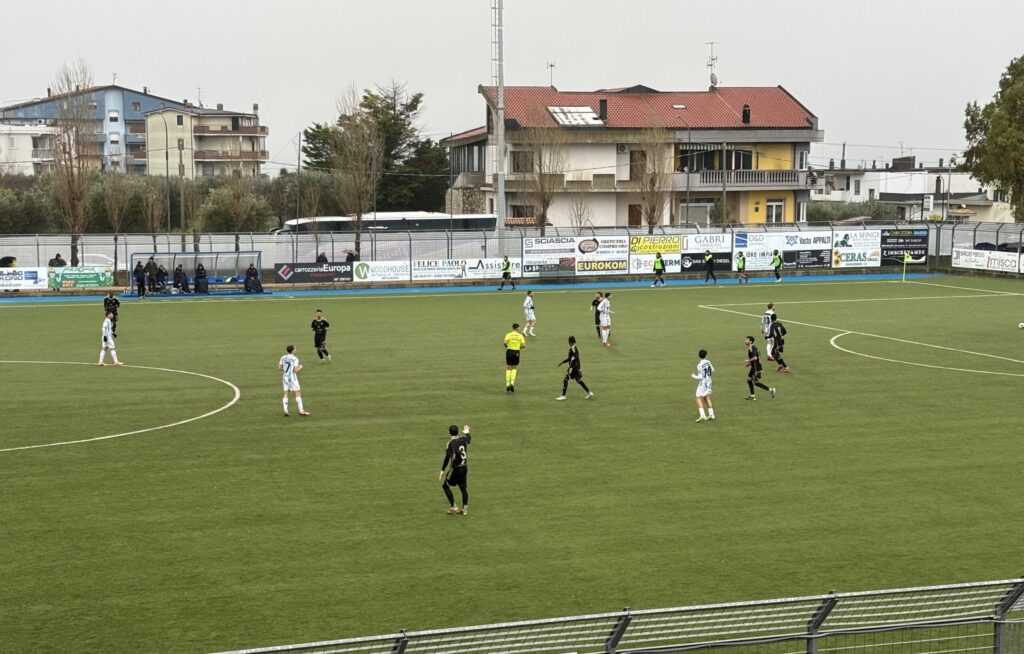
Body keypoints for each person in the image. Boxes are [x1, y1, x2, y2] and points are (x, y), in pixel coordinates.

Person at [439, 424, 471, 515]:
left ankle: (454, 506)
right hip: (464, 467)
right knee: (463, 488)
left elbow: (447, 457)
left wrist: (442, 470)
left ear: (449, 433)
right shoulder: (463, 439)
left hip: (456, 469)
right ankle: (464, 510)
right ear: (457, 432)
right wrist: (467, 432)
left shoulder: (450, 444)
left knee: (445, 485)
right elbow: (469, 439)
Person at [556, 336, 593, 400]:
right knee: (578, 380)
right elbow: (570, 358)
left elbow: (577, 358)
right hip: (574, 367)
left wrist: (578, 369)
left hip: (572, 367)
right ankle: (589, 392)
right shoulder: (573, 348)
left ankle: (563, 396)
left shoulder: (573, 349)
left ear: (569, 342)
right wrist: (562, 362)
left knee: (565, 379)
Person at [278, 344, 309, 417]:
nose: (296, 349)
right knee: (297, 392)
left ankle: (285, 410)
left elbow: (279, 368)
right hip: (292, 378)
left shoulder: (283, 357)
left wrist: (286, 369)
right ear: (293, 350)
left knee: (286, 393)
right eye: (295, 348)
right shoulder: (295, 359)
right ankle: (301, 411)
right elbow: (295, 370)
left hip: (285, 378)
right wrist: (300, 367)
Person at [744, 336, 776, 400]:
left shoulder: (752, 348)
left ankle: (771, 390)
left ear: (750, 341)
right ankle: (753, 396)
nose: (745, 341)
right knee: (749, 380)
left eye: (747, 340)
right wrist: (749, 364)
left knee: (755, 382)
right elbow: (757, 358)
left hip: (756, 368)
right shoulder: (753, 347)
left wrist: (748, 361)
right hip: (754, 367)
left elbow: (755, 358)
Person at [692, 349, 715, 422]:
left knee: (698, 398)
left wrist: (694, 376)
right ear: (706, 355)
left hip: (703, 383)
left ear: (699, 356)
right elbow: (712, 370)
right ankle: (711, 415)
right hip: (709, 382)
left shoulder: (699, 365)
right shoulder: (708, 362)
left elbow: (700, 376)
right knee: (706, 397)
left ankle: (702, 415)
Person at [503, 322, 526, 392]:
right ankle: (512, 383)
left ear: (512, 328)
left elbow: (505, 342)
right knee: (514, 367)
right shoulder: (520, 336)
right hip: (516, 352)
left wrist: (507, 347)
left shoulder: (508, 334)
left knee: (508, 367)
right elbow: (524, 345)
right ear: (517, 328)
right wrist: (518, 348)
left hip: (509, 351)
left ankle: (507, 384)